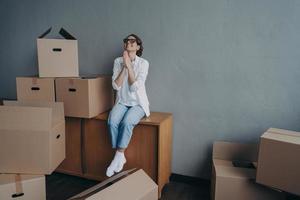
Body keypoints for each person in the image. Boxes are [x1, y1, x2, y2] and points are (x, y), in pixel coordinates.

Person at [106, 34, 150, 177]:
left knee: (126, 122)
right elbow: (116, 86)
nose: (129, 43)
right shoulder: (118, 61)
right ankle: (119, 155)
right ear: (124, 45)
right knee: (112, 121)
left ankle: (118, 155)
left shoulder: (144, 63)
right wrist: (124, 67)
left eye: (133, 41)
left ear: (138, 46)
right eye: (126, 41)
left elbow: (134, 87)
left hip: (138, 104)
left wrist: (130, 66)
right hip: (122, 102)